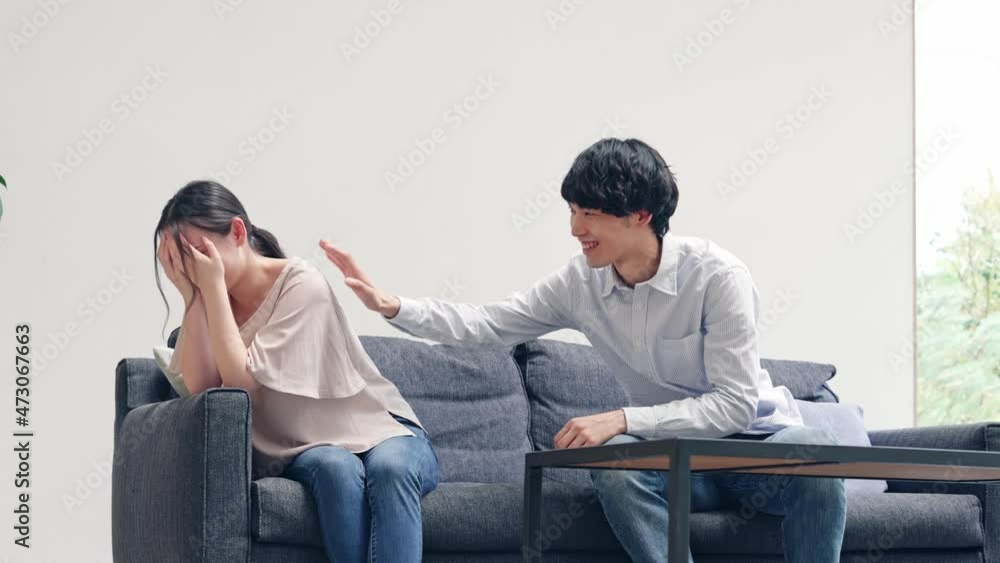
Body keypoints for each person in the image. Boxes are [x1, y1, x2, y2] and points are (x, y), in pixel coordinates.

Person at [320, 138, 847, 563]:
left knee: (815, 450)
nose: (575, 229)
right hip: (675, 463)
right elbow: (490, 322)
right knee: (616, 468)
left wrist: (623, 418)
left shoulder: (717, 277)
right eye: (573, 211)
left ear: (640, 215)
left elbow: (734, 404)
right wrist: (392, 305)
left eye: (589, 213)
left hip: (754, 449)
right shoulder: (581, 284)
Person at [154, 180, 440, 563]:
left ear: (237, 232)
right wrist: (194, 297)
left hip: (383, 431)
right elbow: (206, 392)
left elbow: (241, 378)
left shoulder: (301, 283)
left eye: (199, 254)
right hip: (301, 448)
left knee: (390, 469)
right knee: (335, 468)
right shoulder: (206, 301)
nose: (195, 270)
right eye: (180, 262)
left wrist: (212, 288)